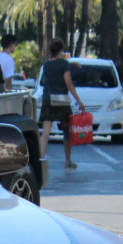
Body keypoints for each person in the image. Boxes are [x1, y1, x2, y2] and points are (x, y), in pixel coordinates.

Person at [38, 39, 85, 171]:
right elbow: (68, 83)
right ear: (61, 50)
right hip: (62, 102)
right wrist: (79, 101)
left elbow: (55, 66)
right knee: (66, 131)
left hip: (48, 100)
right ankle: (68, 161)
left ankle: (41, 159)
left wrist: (70, 64)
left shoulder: (46, 65)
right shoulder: (64, 64)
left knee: (45, 132)